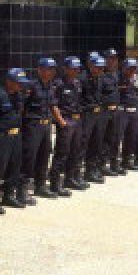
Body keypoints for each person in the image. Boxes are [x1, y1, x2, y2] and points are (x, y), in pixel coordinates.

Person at [0, 69, 30, 212]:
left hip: (16, 135)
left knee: (14, 166)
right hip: (1, 136)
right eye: (18, 83)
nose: (21, 86)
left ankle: (8, 195)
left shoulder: (19, 96)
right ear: (9, 81)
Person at [24, 58, 63, 201]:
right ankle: (23, 188)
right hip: (33, 125)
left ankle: (40, 186)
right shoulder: (31, 86)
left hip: (46, 126)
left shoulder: (50, 86)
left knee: (44, 155)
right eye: (48, 69)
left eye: (53, 69)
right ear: (40, 70)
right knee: (30, 157)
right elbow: (23, 107)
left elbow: (53, 106)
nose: (52, 72)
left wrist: (61, 122)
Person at [53, 57, 87, 191]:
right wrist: (61, 121)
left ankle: (70, 178)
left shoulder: (78, 83)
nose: (76, 70)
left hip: (77, 120)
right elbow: (54, 104)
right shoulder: (59, 84)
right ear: (66, 69)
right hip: (66, 120)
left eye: (78, 68)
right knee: (62, 152)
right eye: (73, 68)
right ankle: (55, 183)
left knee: (75, 151)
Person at [81, 54, 109, 182]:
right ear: (91, 66)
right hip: (87, 114)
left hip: (98, 114)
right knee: (84, 143)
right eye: (98, 67)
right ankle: (76, 172)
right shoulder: (83, 79)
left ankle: (91, 170)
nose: (100, 70)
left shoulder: (100, 79)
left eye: (102, 68)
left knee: (96, 143)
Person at [100, 51, 126, 173]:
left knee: (116, 138)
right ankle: (102, 165)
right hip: (105, 112)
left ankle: (114, 163)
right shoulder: (101, 75)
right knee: (105, 139)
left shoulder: (118, 75)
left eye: (114, 58)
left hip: (117, 110)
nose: (112, 61)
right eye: (109, 58)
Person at [117, 57, 138, 171]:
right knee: (118, 138)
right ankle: (114, 163)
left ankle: (126, 161)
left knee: (131, 137)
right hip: (123, 111)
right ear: (124, 68)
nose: (132, 71)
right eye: (129, 68)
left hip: (134, 110)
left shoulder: (137, 78)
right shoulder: (118, 78)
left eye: (134, 68)